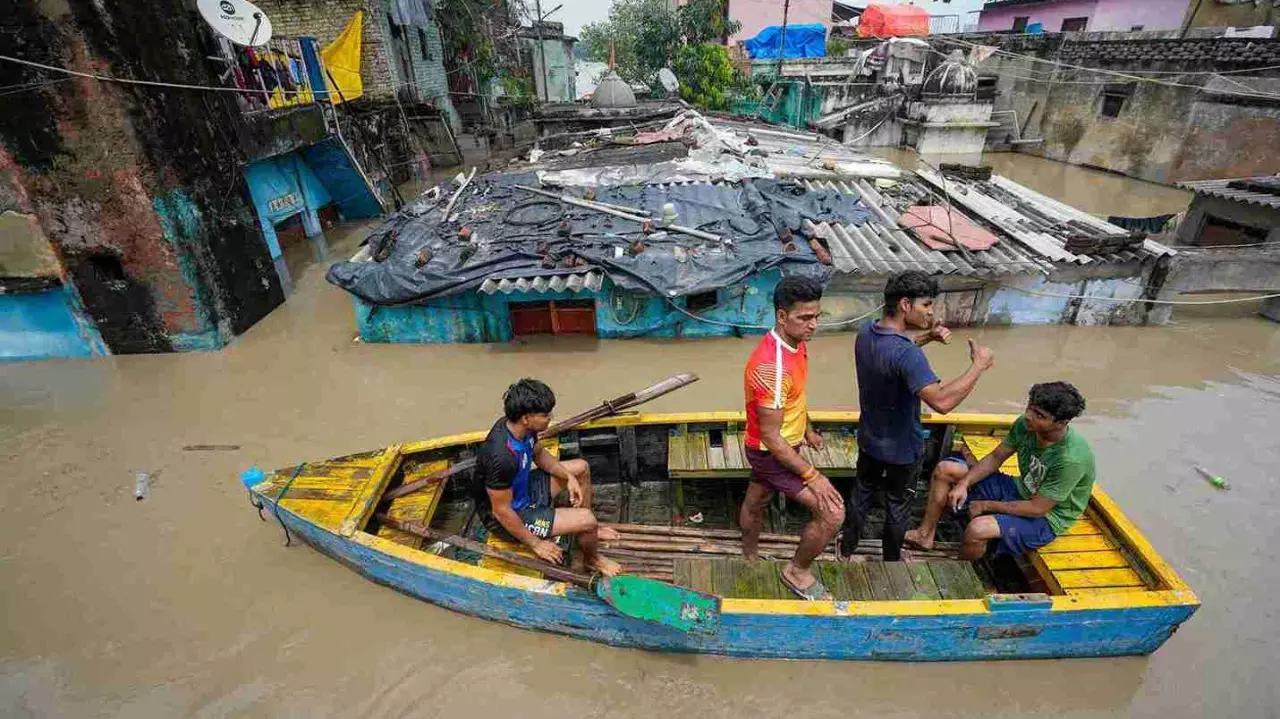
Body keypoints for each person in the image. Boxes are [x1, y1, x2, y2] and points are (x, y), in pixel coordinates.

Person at [840, 270, 995, 562]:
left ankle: (846, 549)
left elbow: (895, 353)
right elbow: (942, 402)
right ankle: (891, 564)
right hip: (902, 448)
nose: (931, 312)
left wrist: (929, 336)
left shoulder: (866, 333)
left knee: (862, 494)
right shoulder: (908, 355)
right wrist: (978, 365)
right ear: (905, 304)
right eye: (926, 304)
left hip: (870, 438)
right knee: (897, 506)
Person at [741, 275, 845, 600]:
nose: (814, 325)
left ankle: (749, 558)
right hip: (771, 452)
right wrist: (813, 476)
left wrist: (807, 428)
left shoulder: (796, 343)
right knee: (833, 513)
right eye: (805, 318)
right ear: (782, 316)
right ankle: (796, 571)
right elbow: (771, 437)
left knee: (757, 500)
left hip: (787, 443)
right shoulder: (771, 368)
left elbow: (794, 397)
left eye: (817, 316)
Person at [905, 382, 1095, 560]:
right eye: (1030, 407)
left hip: (1048, 516)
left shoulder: (1070, 459)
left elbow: (1037, 508)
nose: (1029, 416)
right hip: (1020, 489)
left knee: (978, 529)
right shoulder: (1026, 425)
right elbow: (996, 457)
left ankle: (963, 570)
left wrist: (985, 506)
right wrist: (964, 483)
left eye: (1039, 415)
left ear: (1061, 423)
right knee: (946, 469)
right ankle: (925, 535)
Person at [474, 379, 621, 576]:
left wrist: (568, 477)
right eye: (545, 415)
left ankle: (587, 532)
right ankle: (592, 559)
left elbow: (539, 454)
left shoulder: (523, 429)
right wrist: (536, 544)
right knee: (588, 519)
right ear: (526, 418)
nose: (550, 418)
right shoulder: (501, 457)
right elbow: (501, 511)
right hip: (510, 517)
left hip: (523, 491)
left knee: (580, 468)